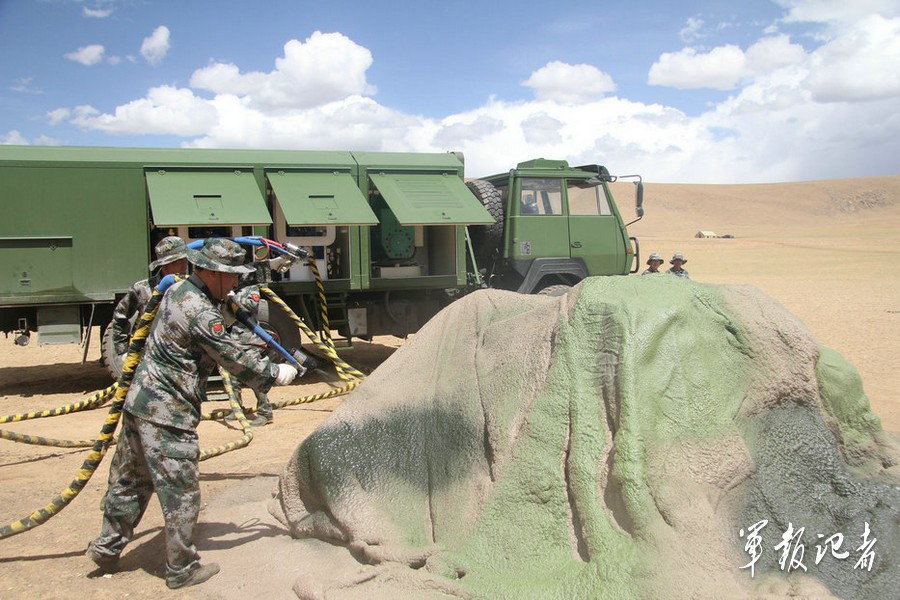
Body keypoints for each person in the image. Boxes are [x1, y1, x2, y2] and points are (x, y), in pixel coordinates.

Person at [86, 238, 298, 589]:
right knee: (181, 492)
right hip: (168, 413)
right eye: (230, 277)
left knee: (130, 481)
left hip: (139, 404)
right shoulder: (200, 312)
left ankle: (107, 547)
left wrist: (226, 311)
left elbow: (202, 328)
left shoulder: (177, 292)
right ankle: (181, 569)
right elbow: (233, 358)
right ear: (212, 274)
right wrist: (276, 373)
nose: (234, 283)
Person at [109, 236, 189, 359]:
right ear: (165, 265)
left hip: (181, 357)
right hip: (149, 358)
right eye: (178, 261)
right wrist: (123, 351)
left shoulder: (191, 287)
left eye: (185, 260)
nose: (184, 265)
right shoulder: (143, 289)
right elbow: (120, 316)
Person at [225, 285, 274, 426]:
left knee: (256, 376)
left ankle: (265, 413)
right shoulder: (231, 289)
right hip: (233, 340)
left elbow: (252, 306)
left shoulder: (251, 289)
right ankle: (237, 408)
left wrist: (232, 297)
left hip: (249, 341)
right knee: (232, 378)